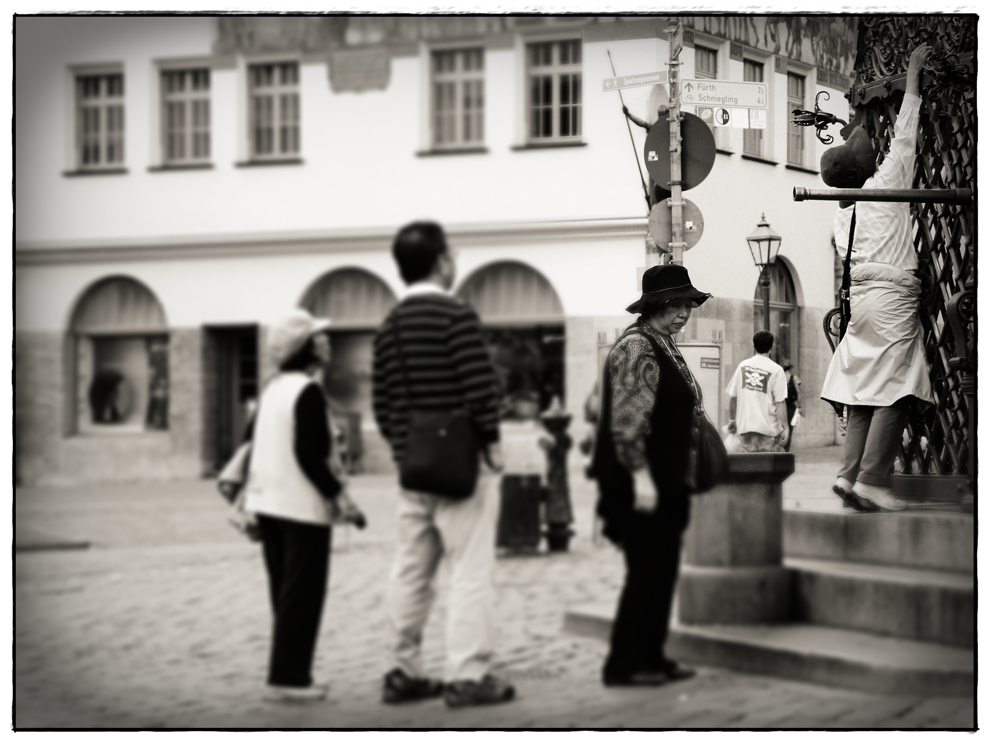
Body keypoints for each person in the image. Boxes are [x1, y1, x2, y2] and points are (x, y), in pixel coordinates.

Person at [372, 221, 515, 709]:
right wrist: (492, 444)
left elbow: (383, 399)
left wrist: (402, 452)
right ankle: (467, 675)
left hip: (414, 465)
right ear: (439, 262)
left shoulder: (389, 324)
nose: (454, 260)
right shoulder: (455, 315)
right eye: (450, 254)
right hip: (463, 463)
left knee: (411, 569)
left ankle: (402, 670)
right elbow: (478, 386)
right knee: (470, 569)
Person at [820, 43, 935, 513]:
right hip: (891, 302)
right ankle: (872, 479)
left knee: (864, 391)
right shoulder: (887, 184)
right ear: (867, 166)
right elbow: (905, 135)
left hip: (861, 304)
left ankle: (848, 476)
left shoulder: (841, 216)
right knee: (899, 384)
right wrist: (910, 78)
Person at [590, 263, 711, 687]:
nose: (683, 313)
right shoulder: (638, 347)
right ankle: (626, 662)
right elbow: (627, 423)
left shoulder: (663, 342)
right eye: (675, 304)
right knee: (646, 572)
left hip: (669, 479)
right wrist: (641, 481)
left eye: (688, 305)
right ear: (654, 305)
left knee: (660, 571)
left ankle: (652, 657)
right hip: (642, 483)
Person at [243, 308, 365, 703]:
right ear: (305, 347)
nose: (326, 340)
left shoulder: (273, 387)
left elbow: (253, 441)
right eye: (319, 336)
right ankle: (290, 679)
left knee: (285, 593)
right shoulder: (307, 391)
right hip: (300, 508)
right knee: (302, 595)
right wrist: (341, 499)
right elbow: (309, 454)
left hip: (269, 504)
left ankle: (290, 673)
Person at [725, 331, 789, 453]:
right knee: (770, 469)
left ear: (753, 346)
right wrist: (786, 427)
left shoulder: (743, 366)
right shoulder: (776, 370)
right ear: (772, 347)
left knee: (748, 468)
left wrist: (732, 421)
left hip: (745, 430)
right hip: (769, 431)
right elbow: (780, 402)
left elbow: (734, 397)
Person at [783, 360, 801, 453]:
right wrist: (800, 406)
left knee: (780, 428)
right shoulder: (794, 378)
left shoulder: (780, 377)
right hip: (790, 407)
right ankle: (786, 449)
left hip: (781, 406)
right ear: (791, 368)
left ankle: (780, 448)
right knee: (789, 429)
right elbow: (798, 392)